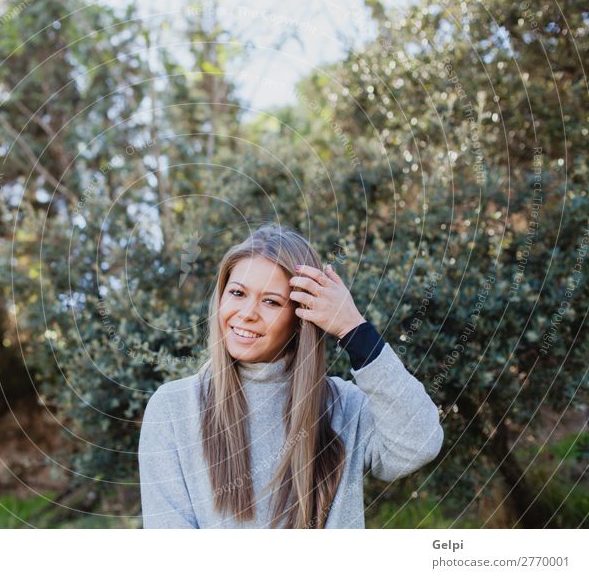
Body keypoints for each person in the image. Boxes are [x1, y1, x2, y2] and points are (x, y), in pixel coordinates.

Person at [138, 223, 443, 528]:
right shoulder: (173, 408)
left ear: (301, 317)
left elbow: (418, 444)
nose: (247, 313)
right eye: (237, 293)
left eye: (271, 301)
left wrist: (354, 329)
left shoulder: (344, 406)